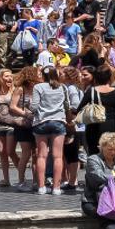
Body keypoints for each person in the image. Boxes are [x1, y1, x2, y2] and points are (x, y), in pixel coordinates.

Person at [31, 65, 70, 195]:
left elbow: (34, 106)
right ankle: (56, 187)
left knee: (41, 155)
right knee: (58, 156)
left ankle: (41, 187)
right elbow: (67, 105)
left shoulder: (38, 87)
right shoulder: (62, 87)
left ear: (43, 75)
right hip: (58, 121)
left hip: (41, 122)